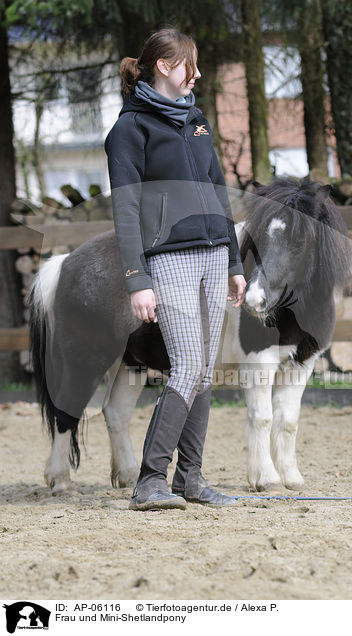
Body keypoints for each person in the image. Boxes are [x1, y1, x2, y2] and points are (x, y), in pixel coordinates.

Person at [105, 27, 246, 511]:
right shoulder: (129, 131)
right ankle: (149, 481)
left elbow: (219, 193)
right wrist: (136, 280)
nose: (198, 74)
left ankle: (191, 479)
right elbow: (125, 213)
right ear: (165, 67)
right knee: (186, 367)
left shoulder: (197, 121)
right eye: (191, 64)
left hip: (212, 257)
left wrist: (232, 260)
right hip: (169, 262)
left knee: (205, 371)